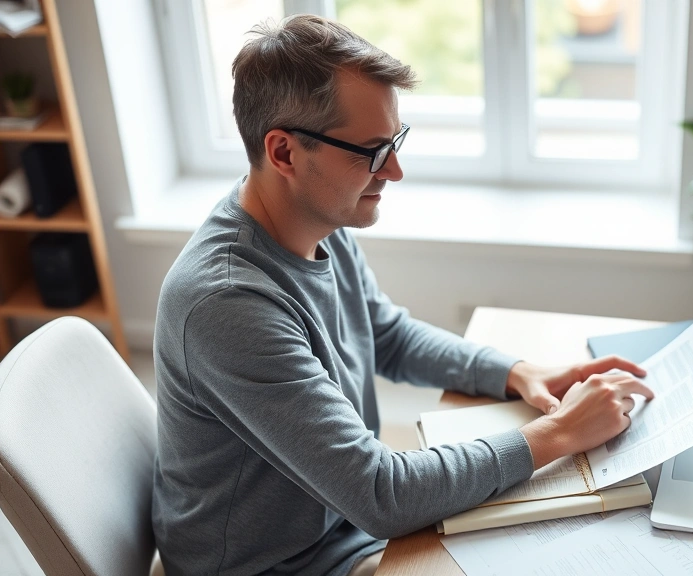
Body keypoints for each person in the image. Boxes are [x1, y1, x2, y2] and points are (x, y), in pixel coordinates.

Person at [151, 14, 654, 576]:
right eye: (370, 151)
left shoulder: (312, 222)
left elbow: (384, 334)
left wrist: (517, 371)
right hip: (282, 564)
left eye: (395, 141)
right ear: (285, 153)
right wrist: (559, 432)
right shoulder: (227, 304)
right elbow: (381, 494)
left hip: (340, 523)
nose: (395, 170)